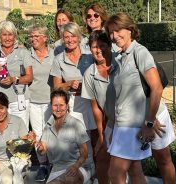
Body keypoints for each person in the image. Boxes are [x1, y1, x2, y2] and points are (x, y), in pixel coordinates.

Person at [105, 12, 176, 184]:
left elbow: (157, 88)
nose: (114, 36)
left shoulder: (140, 52)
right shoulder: (120, 57)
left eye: (118, 30)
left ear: (129, 29)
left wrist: (149, 122)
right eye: (111, 33)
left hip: (150, 118)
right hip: (130, 122)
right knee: (132, 168)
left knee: (163, 160)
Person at [50, 22, 95, 179]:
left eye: (73, 36)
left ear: (79, 37)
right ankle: (77, 171)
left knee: (91, 138)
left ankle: (90, 171)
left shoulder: (89, 55)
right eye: (66, 37)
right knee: (75, 139)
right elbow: (56, 87)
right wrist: (68, 84)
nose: (69, 40)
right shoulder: (58, 59)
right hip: (71, 102)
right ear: (62, 39)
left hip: (89, 102)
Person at [36, 89, 91, 184]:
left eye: (61, 105)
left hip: (80, 166)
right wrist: (39, 147)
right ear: (51, 106)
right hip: (57, 169)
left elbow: (85, 153)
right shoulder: (48, 126)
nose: (58, 109)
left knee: (70, 179)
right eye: (55, 105)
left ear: (67, 105)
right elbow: (43, 150)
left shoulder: (76, 124)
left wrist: (75, 166)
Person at [0, 20, 33, 128]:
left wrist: (14, 79)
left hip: (19, 100)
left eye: (10, 34)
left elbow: (29, 77)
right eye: (4, 35)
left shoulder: (23, 52)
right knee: (2, 134)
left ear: (14, 36)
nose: (7, 38)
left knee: (21, 135)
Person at [81, 30, 112, 184]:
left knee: (132, 163)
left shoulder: (120, 65)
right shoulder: (89, 74)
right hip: (109, 121)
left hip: (128, 119)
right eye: (94, 47)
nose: (99, 50)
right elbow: (96, 107)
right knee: (101, 157)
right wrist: (101, 134)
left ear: (109, 46)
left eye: (102, 45)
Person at [27, 24, 55, 181]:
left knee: (52, 133)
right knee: (37, 134)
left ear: (45, 37)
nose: (33, 39)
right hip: (33, 101)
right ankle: (43, 165)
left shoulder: (55, 54)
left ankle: (55, 164)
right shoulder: (27, 54)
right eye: (31, 36)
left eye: (36, 36)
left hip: (52, 101)